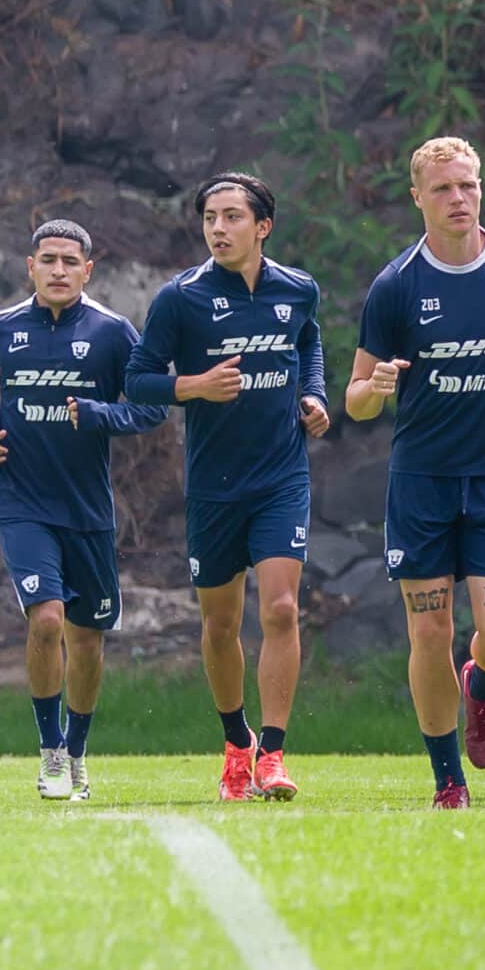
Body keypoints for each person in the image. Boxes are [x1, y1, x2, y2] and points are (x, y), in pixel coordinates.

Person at [345, 136, 485, 809]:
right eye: (443, 189)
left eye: (467, 185)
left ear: (481, 187)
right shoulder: (396, 285)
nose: (458, 198)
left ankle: (482, 687)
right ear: (418, 198)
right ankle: (448, 782)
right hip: (423, 482)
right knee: (428, 631)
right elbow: (354, 395)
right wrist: (375, 384)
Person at [125, 173, 329, 802]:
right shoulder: (180, 298)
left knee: (281, 609)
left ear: (262, 226)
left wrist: (313, 394)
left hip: (281, 477)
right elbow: (137, 381)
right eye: (211, 217)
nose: (219, 228)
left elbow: (310, 342)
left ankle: (272, 753)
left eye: (232, 216)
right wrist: (193, 387)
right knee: (219, 627)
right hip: (213, 486)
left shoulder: (298, 289)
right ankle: (234, 741)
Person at [0, 220, 163, 800]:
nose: (58, 270)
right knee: (46, 619)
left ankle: (77, 752)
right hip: (23, 503)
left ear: (88, 270)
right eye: (48, 259)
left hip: (89, 509)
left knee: (88, 637)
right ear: (30, 266)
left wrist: (101, 414)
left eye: (71, 261)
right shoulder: (2, 329)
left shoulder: (113, 332)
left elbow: (150, 409)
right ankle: (49, 752)